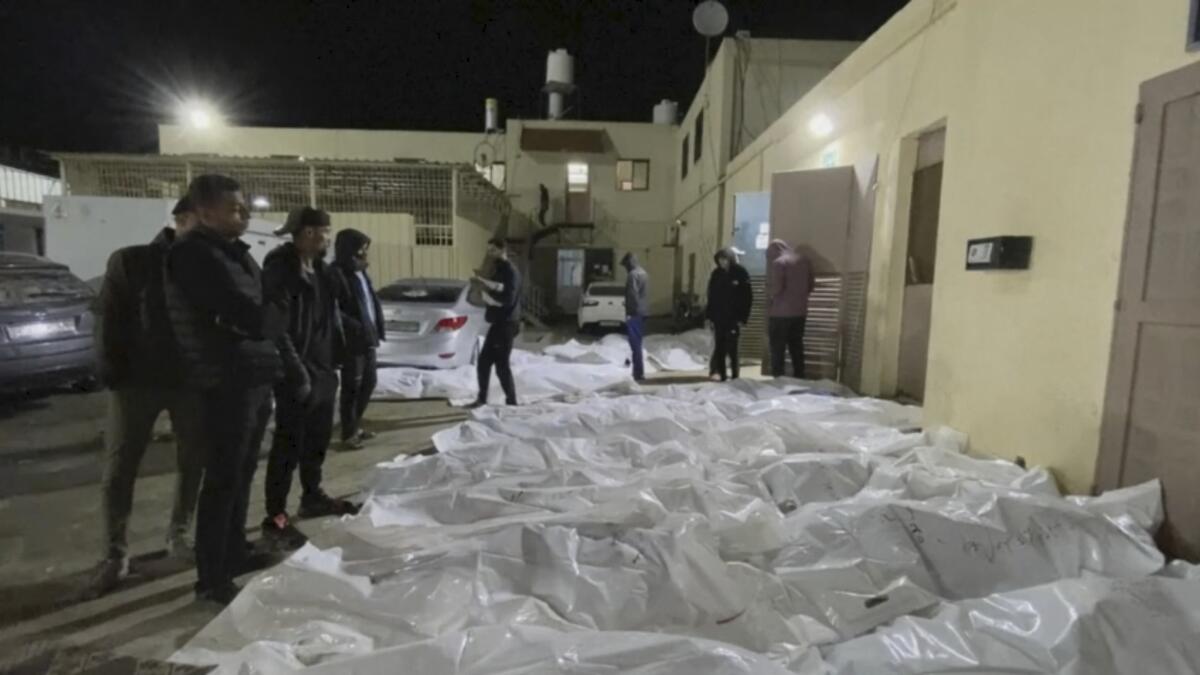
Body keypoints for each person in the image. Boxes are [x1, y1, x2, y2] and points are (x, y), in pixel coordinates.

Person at [164, 174, 285, 605]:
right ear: (206, 212)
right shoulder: (193, 254)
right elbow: (245, 313)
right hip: (222, 379)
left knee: (241, 473)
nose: (246, 215)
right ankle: (211, 578)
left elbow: (262, 308)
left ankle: (234, 553)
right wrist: (264, 318)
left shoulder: (234, 253)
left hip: (250, 375)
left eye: (245, 207)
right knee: (222, 479)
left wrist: (264, 318)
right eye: (236, 209)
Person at [86, 197, 207, 597]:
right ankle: (114, 553)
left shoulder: (208, 266)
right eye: (201, 221)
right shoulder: (132, 260)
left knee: (193, 460)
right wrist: (111, 373)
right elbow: (108, 319)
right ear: (181, 220)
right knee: (120, 466)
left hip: (189, 381)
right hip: (136, 381)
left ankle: (179, 536)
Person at [260, 208, 358, 552]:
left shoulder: (322, 270)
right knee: (288, 443)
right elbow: (277, 328)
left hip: (323, 367)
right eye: (323, 231)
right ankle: (275, 517)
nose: (328, 237)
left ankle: (312, 496)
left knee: (317, 438)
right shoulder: (279, 269)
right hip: (296, 369)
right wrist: (295, 369)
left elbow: (338, 310)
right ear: (306, 234)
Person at [327, 229, 384, 450]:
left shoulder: (361, 272)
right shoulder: (337, 273)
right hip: (352, 339)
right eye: (361, 248)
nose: (364, 253)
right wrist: (355, 326)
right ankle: (348, 433)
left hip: (367, 337)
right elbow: (333, 309)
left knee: (369, 383)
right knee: (353, 386)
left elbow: (369, 303)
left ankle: (353, 425)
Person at [471, 238, 521, 407]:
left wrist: (486, 297)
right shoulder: (501, 269)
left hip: (506, 323)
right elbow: (501, 286)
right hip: (499, 323)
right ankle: (483, 399)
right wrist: (485, 283)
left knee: (501, 366)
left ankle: (511, 402)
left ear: (502, 250)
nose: (490, 254)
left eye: (493, 250)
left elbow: (507, 299)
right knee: (484, 362)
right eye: (489, 250)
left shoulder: (511, 271)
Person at [765, 239, 815, 379]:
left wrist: (769, 293)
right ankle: (799, 376)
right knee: (796, 346)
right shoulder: (805, 260)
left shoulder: (779, 263)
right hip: (800, 313)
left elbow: (776, 288)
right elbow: (811, 286)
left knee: (777, 348)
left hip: (780, 314)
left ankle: (778, 378)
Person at [705, 247, 753, 382]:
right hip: (719, 317)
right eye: (720, 260)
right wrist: (709, 316)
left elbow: (747, 297)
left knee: (733, 348)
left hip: (734, 318)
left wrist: (743, 317)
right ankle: (721, 374)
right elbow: (711, 296)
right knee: (719, 346)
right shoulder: (716, 274)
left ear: (730, 259)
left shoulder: (740, 272)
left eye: (724, 259)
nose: (722, 262)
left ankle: (735, 375)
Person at [621, 252, 649, 382]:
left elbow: (632, 296)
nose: (625, 268)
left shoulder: (632, 275)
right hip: (643, 312)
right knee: (638, 342)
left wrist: (629, 313)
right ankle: (639, 372)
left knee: (635, 345)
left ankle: (638, 374)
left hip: (634, 313)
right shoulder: (643, 273)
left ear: (630, 263)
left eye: (625, 265)